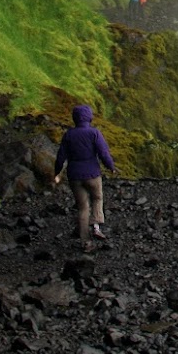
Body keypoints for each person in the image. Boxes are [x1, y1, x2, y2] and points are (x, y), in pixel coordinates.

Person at [52, 105, 117, 249]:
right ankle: (96, 227)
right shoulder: (94, 133)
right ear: (89, 117)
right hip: (93, 173)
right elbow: (103, 153)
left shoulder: (68, 135)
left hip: (74, 175)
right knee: (97, 198)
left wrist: (56, 172)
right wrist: (111, 167)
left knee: (82, 207)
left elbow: (60, 157)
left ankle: (85, 242)